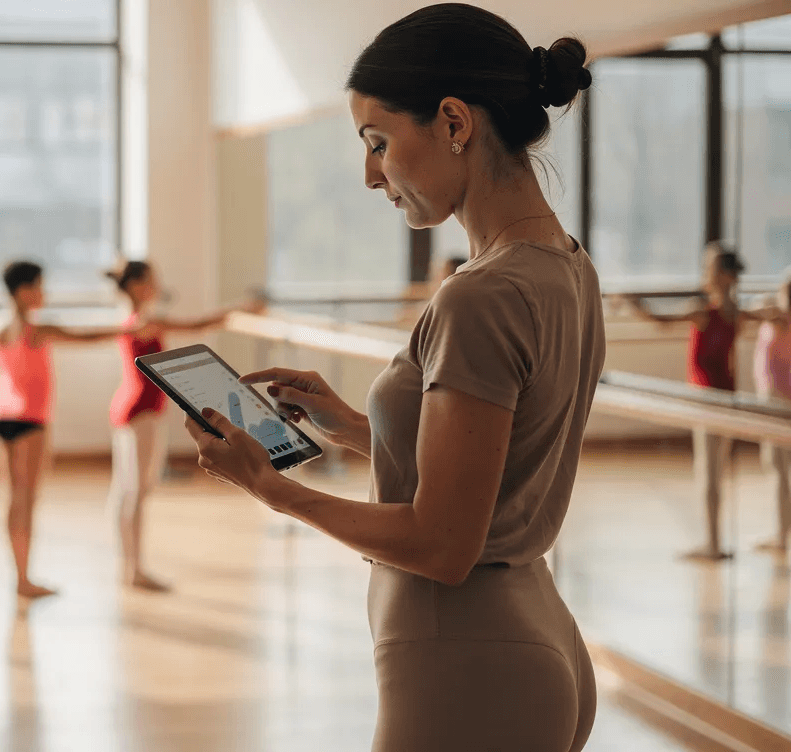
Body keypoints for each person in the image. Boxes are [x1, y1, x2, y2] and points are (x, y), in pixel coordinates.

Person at [184, 6, 601, 749]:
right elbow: (490, 477)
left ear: (452, 122)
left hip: (465, 658)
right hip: (531, 630)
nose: (370, 175)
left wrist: (271, 486)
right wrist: (355, 427)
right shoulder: (565, 264)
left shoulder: (479, 296)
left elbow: (442, 542)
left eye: (377, 143)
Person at [0, 261, 133, 599]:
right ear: (23, 291)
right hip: (30, 421)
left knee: (11, 498)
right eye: (39, 286)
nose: (43, 293)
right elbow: (90, 337)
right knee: (27, 500)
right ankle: (24, 579)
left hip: (2, 417)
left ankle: (21, 576)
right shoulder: (36, 330)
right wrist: (128, 330)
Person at [105, 260, 264, 591]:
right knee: (136, 490)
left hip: (132, 408)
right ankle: (134, 569)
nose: (158, 284)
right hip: (140, 411)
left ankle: (128, 567)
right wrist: (240, 310)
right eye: (152, 280)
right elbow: (197, 325)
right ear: (136, 286)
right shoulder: (146, 320)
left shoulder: (135, 319)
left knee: (127, 490)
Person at [629, 244, 780, 560]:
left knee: (709, 473)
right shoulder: (733, 313)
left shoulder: (705, 311)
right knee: (714, 472)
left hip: (709, 401)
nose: (704, 273)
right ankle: (713, 541)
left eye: (708, 267)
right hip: (724, 399)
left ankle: (713, 545)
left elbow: (660, 321)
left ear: (723, 276)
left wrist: (635, 305)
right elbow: (769, 314)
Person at [752, 275, 791, 553]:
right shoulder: (778, 316)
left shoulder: (780, 317)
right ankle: (780, 532)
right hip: (774, 400)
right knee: (777, 469)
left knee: (779, 470)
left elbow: (752, 310)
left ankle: (781, 535)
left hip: (777, 401)